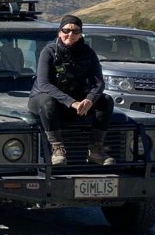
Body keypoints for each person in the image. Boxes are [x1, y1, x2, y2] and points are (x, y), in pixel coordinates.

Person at [28, 14, 114, 167]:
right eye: (66, 30)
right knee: (47, 102)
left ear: (81, 34)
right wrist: (72, 102)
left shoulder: (88, 52)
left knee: (106, 100)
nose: (70, 34)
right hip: (45, 99)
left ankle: (96, 149)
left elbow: (99, 82)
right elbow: (44, 84)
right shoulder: (49, 51)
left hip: (77, 99)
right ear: (59, 32)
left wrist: (90, 99)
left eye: (75, 31)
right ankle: (57, 150)